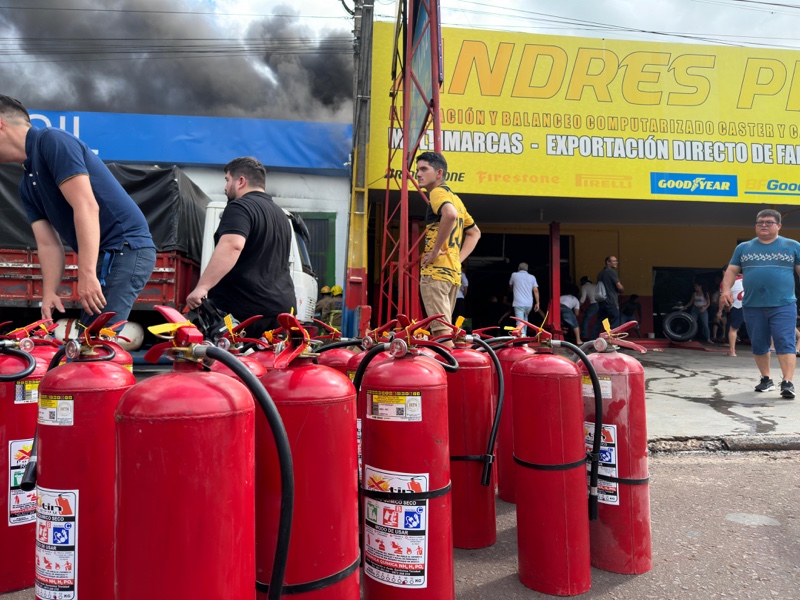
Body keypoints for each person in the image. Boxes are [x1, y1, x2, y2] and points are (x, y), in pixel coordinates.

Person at [0, 95, 156, 327]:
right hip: (108, 253)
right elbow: (48, 244)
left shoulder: (51, 140)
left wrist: (87, 273)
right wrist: (49, 292)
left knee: (97, 343)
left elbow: (86, 206)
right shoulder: (27, 186)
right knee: (89, 340)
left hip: (124, 248)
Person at [186, 156, 295, 334]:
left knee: (222, 361)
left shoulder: (240, 207)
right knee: (267, 361)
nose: (225, 187)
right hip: (281, 311)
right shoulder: (281, 215)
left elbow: (233, 245)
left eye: (227, 180)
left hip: (245, 310)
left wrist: (202, 288)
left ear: (241, 181)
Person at [721, 209, 800, 398]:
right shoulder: (744, 248)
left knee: (785, 342)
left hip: (783, 305)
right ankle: (766, 379)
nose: (763, 225)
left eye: (769, 222)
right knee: (758, 344)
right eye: (760, 222)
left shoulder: (792, 246)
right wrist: (725, 290)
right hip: (752, 305)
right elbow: (731, 271)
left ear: (779, 226)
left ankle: (787, 383)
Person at [416, 151, 480, 338]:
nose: (418, 174)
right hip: (452, 275)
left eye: (423, 169)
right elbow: (475, 232)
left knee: (442, 335)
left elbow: (450, 215)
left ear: (439, 173)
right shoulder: (457, 199)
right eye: (417, 170)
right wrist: (457, 260)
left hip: (435, 274)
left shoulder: (437, 193)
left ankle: (451, 368)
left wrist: (435, 251)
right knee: (447, 332)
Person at [592, 256, 624, 337]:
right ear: (608, 262)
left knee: (600, 321)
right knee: (614, 322)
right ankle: (612, 343)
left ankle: (592, 341)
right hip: (611, 301)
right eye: (614, 261)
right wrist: (622, 290)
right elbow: (619, 286)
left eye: (616, 261)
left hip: (602, 302)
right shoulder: (611, 272)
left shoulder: (600, 273)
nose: (616, 262)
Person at [718, 268, 744, 357]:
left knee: (733, 329)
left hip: (738, 305)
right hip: (751, 305)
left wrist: (720, 311)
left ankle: (732, 351)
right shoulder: (744, 277)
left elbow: (723, 299)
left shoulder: (724, 283)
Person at [509, 262, 539, 335]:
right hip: (529, 304)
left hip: (518, 303)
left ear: (518, 268)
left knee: (520, 322)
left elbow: (510, 286)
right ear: (527, 269)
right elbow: (535, 290)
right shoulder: (532, 277)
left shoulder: (514, 275)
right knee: (525, 321)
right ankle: (524, 337)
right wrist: (538, 303)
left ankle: (522, 340)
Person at [579, 275, 598, 340]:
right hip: (601, 304)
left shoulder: (584, 286)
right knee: (599, 320)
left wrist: (578, 305)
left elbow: (583, 299)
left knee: (586, 319)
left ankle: (584, 336)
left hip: (594, 304)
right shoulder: (595, 285)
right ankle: (594, 336)